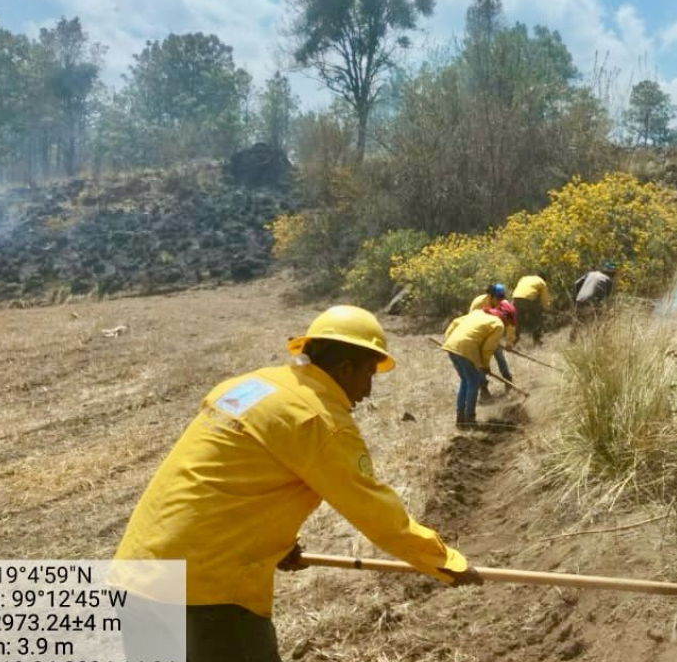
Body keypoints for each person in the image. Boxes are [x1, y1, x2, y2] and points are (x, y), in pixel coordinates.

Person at [111, 306, 481, 662]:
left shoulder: (253, 385)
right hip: (209, 594)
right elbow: (377, 514)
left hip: (137, 572)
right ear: (345, 367)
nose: (368, 390)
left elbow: (226, 483)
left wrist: (276, 545)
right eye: (369, 373)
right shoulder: (318, 419)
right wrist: (444, 560)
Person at [442, 307, 506, 427]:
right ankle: (470, 418)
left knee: (465, 381)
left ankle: (460, 417)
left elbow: (455, 322)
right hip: (466, 347)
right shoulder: (498, 324)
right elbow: (488, 348)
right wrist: (485, 365)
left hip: (451, 345)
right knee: (473, 382)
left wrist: (449, 339)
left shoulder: (477, 313)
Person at [512, 273, 550, 346]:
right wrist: (546, 308)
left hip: (516, 298)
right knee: (536, 318)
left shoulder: (524, 278)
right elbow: (544, 300)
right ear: (544, 279)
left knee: (517, 321)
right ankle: (537, 340)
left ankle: (514, 340)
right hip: (529, 299)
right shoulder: (542, 282)